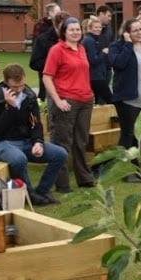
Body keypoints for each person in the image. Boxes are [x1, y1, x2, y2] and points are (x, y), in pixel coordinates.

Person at [0, 64, 67, 206]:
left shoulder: (29, 96)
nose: (19, 90)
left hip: (26, 141)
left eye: (21, 85)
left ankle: (42, 191)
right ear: (6, 82)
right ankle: (30, 194)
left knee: (60, 154)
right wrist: (10, 108)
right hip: (2, 143)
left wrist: (38, 142)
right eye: (14, 87)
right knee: (19, 159)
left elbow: (35, 123)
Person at [42, 17, 97, 191]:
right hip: (66, 101)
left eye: (78, 29)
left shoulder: (81, 48)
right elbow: (47, 76)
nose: (75, 32)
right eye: (71, 30)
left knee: (81, 141)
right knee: (62, 142)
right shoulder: (57, 50)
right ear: (64, 32)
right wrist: (57, 100)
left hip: (85, 100)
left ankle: (84, 177)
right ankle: (62, 183)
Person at [107, 17, 141, 152]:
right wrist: (128, 44)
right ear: (127, 33)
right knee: (129, 136)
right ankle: (123, 166)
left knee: (140, 137)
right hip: (128, 101)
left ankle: (137, 168)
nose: (140, 32)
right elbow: (119, 63)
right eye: (135, 30)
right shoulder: (116, 47)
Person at [29, 3, 65, 101]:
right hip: (46, 67)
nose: (59, 14)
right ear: (50, 13)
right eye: (57, 11)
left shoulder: (65, 33)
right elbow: (37, 49)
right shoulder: (41, 27)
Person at [82, 16, 113, 105]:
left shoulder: (93, 39)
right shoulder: (90, 40)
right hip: (95, 76)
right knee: (110, 100)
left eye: (100, 27)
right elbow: (93, 60)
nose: (98, 29)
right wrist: (104, 53)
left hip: (96, 75)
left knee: (96, 101)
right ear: (90, 28)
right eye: (96, 27)